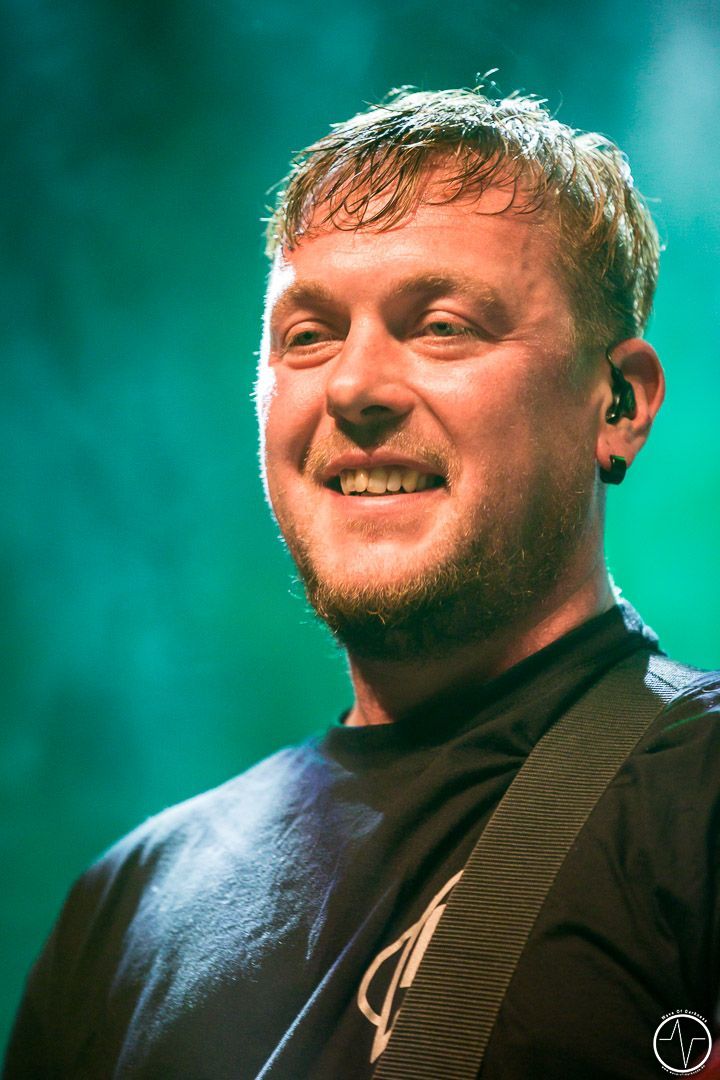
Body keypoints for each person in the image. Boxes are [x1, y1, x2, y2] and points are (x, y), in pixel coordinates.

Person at [4, 86, 720, 1080]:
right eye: (307, 336)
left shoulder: (698, 801)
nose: (353, 387)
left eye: (442, 324)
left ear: (620, 403)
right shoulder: (120, 908)